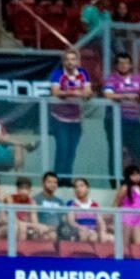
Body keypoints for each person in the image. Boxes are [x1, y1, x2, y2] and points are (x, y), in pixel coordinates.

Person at [103, 53, 140, 180]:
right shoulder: (112, 78)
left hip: (134, 121)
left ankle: (133, 178)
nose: (123, 66)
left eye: (126, 63)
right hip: (115, 121)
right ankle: (115, 181)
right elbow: (108, 95)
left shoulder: (138, 79)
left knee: (139, 150)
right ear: (116, 65)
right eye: (120, 63)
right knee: (115, 151)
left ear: (130, 65)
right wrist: (126, 97)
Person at [49, 48, 92, 181]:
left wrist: (73, 92)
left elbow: (88, 92)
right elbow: (55, 92)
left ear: (78, 62)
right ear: (63, 62)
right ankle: (57, 180)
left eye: (73, 59)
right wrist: (73, 93)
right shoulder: (57, 74)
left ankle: (67, 180)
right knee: (62, 149)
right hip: (59, 119)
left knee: (71, 152)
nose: (70, 62)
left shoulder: (83, 73)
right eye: (67, 59)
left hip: (76, 120)